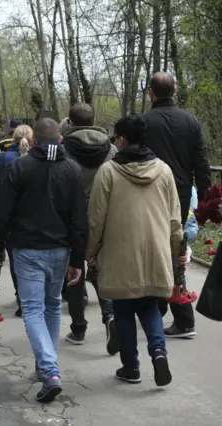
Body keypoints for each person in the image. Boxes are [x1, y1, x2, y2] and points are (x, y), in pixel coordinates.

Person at [0, 118, 87, 403]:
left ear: (33, 141)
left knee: (33, 309)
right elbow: (79, 219)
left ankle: (49, 370)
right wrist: (78, 258)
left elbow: (1, 212)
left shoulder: (19, 167)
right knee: (52, 306)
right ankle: (45, 363)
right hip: (60, 250)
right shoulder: (71, 170)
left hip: (27, 249)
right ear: (60, 140)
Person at [86, 115, 183, 386]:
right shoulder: (163, 171)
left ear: (121, 140)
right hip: (156, 252)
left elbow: (96, 219)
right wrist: (177, 252)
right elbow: (175, 219)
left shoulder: (108, 172)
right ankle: (159, 353)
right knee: (150, 307)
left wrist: (90, 253)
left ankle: (131, 368)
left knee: (124, 309)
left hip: (119, 255)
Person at [142, 72, 211, 339]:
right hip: (181, 194)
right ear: (175, 90)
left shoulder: (145, 122)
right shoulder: (190, 121)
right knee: (175, 248)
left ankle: (175, 314)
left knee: (156, 249)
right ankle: (167, 308)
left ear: (151, 92)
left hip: (151, 193)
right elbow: (201, 164)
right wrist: (206, 201)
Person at [61, 103, 119, 352]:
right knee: (99, 268)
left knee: (74, 271)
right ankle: (110, 316)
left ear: (71, 123)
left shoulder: (63, 150)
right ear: (94, 120)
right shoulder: (112, 149)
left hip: (71, 218)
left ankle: (79, 327)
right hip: (104, 217)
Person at [0, 124, 33, 315]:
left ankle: (22, 297)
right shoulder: (35, 160)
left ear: (13, 138)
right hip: (31, 213)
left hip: (6, 213)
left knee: (15, 256)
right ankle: (32, 297)